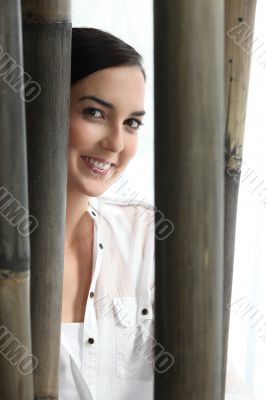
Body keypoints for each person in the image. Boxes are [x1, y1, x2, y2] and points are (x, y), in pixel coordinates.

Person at [59, 27, 155, 400]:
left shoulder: (147, 237)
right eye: (94, 112)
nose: (116, 142)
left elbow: (217, 377)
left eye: (131, 122)